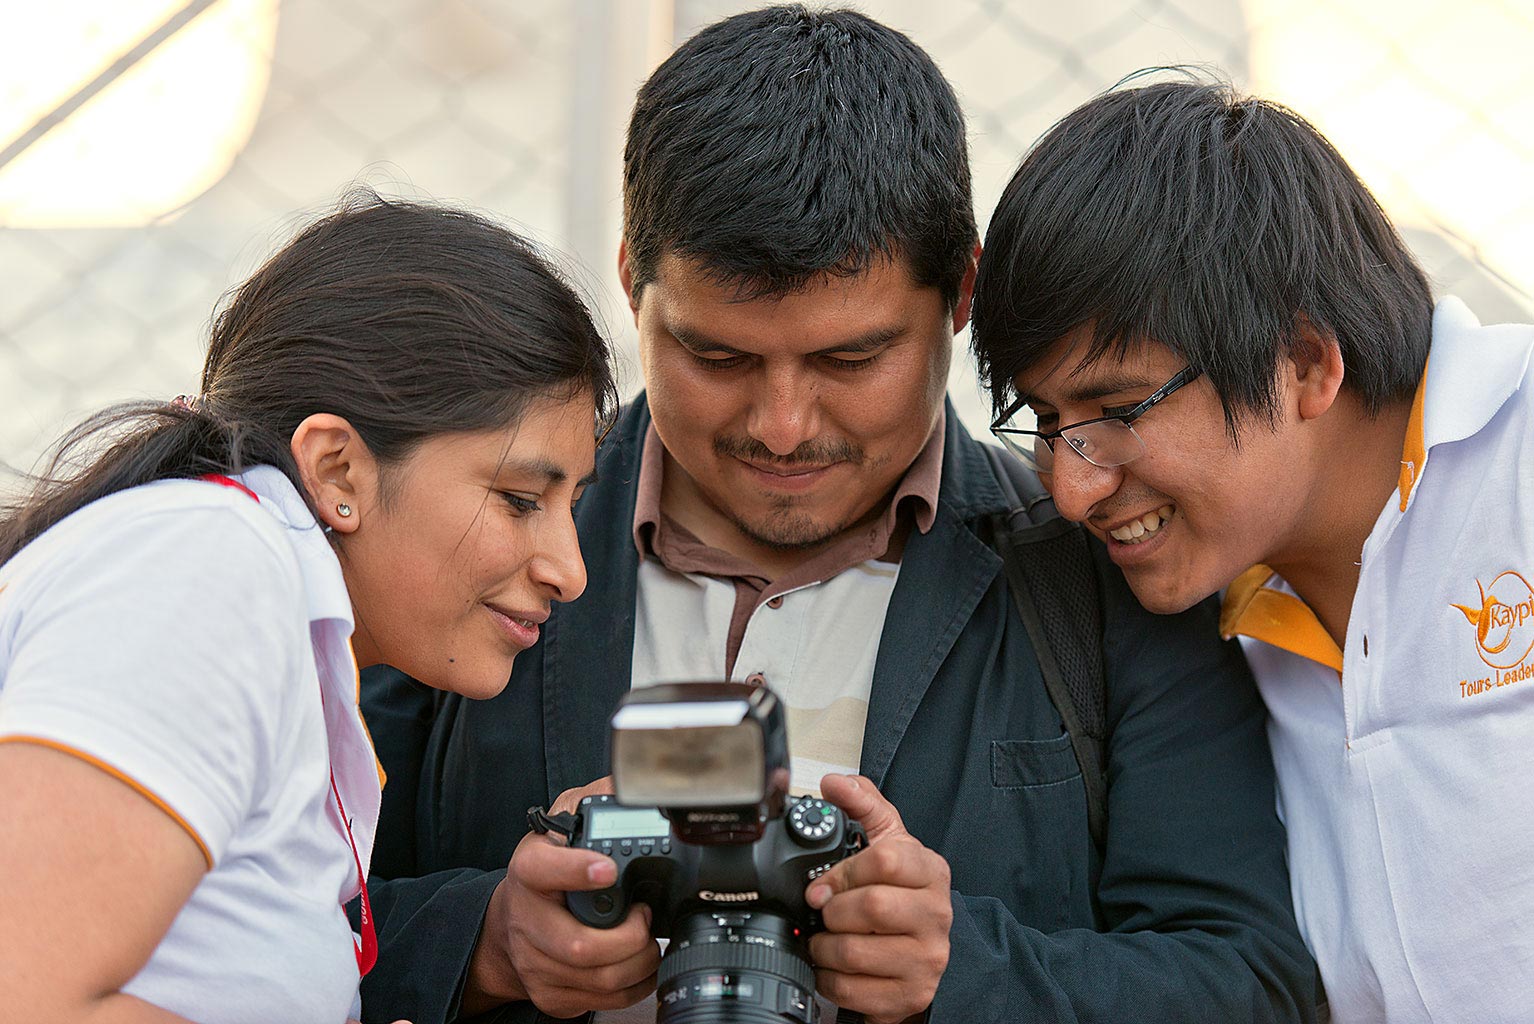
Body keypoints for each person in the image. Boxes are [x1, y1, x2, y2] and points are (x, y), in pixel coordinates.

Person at [359, 10, 1319, 1024]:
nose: (782, 425)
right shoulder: (456, 538)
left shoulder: (1102, 568)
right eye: (718, 358)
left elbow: (1250, 985)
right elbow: (244, 924)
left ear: (960, 295)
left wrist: (965, 971)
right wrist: (484, 940)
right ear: (632, 279)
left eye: (849, 361)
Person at [969, 77, 1534, 1023]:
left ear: (1307, 362)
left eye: (1116, 411)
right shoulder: (1197, 619)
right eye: (1047, 419)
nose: (1071, 488)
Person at [0, 193, 617, 1024]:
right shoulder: (208, 563)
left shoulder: (274, 619)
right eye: (516, 499)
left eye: (570, 503)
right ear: (336, 471)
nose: (570, 570)